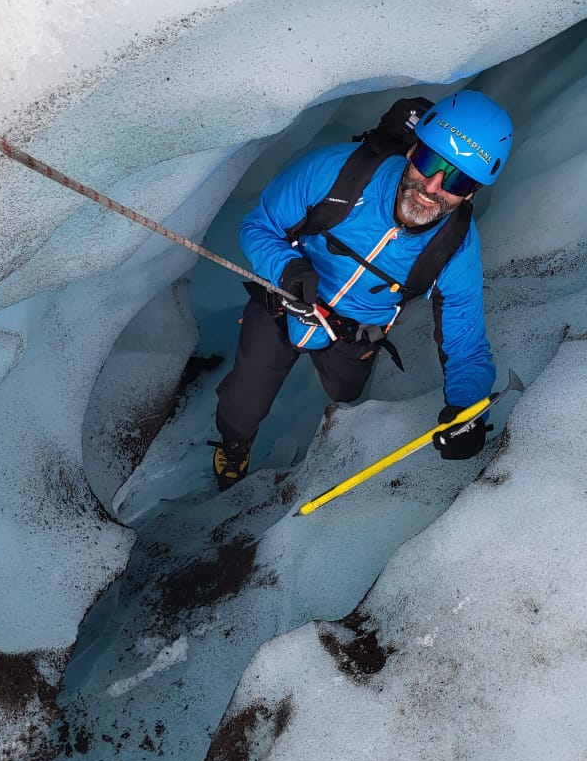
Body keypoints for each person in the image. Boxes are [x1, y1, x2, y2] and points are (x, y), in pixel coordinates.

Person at [211, 89, 513, 489]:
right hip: (285, 304)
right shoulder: (337, 173)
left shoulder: (454, 249)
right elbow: (258, 225)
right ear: (412, 151)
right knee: (242, 401)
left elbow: (466, 344)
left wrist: (468, 410)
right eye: (429, 160)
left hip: (355, 334)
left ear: (471, 192)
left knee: (345, 391)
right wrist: (287, 270)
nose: (432, 186)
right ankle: (235, 441)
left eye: (456, 178)